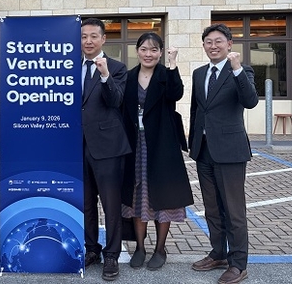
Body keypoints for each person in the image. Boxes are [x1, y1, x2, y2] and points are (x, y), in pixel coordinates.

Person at [189, 23, 258, 284]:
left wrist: (237, 68)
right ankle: (218, 253)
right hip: (204, 150)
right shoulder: (199, 73)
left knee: (234, 210)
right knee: (212, 208)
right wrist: (193, 143)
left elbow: (250, 101)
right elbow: (197, 110)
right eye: (208, 42)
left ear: (229, 44)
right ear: (204, 46)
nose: (213, 46)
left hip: (230, 151)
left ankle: (238, 264)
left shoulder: (242, 71)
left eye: (219, 41)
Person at [121, 33, 193, 271]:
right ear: (137, 51)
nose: (148, 54)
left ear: (161, 53)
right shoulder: (129, 76)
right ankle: (140, 248)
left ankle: (160, 249)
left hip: (162, 145)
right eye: (144, 49)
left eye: (154, 50)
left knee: (164, 197)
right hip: (135, 145)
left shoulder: (166, 74)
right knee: (137, 197)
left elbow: (176, 94)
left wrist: (173, 64)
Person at [81, 17, 131, 281]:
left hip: (108, 147)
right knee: (86, 203)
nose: (88, 41)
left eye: (93, 36)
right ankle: (91, 249)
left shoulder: (117, 67)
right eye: (83, 36)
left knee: (111, 205)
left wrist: (104, 76)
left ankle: (111, 255)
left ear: (103, 39)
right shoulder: (69, 67)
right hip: (77, 147)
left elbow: (116, 100)